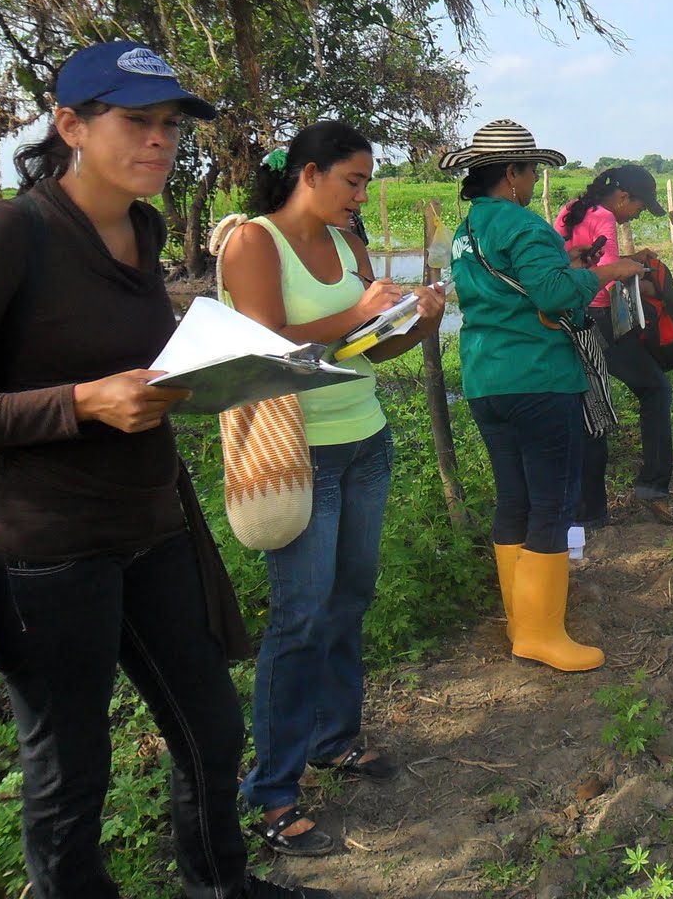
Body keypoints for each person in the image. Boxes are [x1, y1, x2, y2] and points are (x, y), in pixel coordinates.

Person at [0, 41, 332, 898]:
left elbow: (139, 365)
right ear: (69, 125)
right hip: (49, 551)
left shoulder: (144, 228)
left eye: (170, 125)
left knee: (210, 727)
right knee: (71, 770)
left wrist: (217, 374)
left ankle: (221, 884)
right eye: (136, 121)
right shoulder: (7, 234)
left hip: (153, 527)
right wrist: (82, 403)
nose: (160, 141)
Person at [220, 121, 444, 858]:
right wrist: (356, 310)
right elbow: (266, 346)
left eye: (366, 182)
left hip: (364, 440)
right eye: (352, 180)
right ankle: (273, 792)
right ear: (307, 174)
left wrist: (411, 320)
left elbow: (366, 345)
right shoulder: (254, 242)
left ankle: (333, 736)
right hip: (297, 456)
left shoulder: (348, 244)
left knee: (349, 597)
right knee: (300, 615)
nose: (361, 195)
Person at [442, 120, 643, 671]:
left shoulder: (469, 227)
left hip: (487, 378)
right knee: (551, 503)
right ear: (511, 173)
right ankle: (542, 634)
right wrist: (606, 273)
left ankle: (520, 622)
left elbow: (516, 291)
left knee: (515, 501)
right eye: (531, 170)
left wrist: (567, 272)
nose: (534, 180)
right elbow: (553, 295)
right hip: (538, 377)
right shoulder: (522, 224)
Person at [554, 165, 673, 527]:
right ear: (623, 197)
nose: (633, 216)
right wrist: (647, 281)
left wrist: (630, 260)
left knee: (585, 409)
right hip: (601, 320)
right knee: (655, 388)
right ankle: (652, 486)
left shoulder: (571, 209)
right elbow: (605, 279)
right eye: (637, 208)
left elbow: (570, 261)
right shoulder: (605, 216)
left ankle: (588, 512)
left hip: (567, 317)